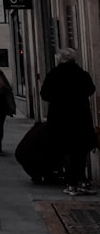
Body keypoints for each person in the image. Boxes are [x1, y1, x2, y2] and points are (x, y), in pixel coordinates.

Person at [40, 48, 97, 195]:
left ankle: (71, 183)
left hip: (60, 118)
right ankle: (82, 180)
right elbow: (91, 89)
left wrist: (58, 98)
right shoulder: (82, 74)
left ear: (59, 60)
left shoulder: (53, 75)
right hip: (80, 117)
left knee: (66, 151)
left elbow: (44, 94)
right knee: (81, 150)